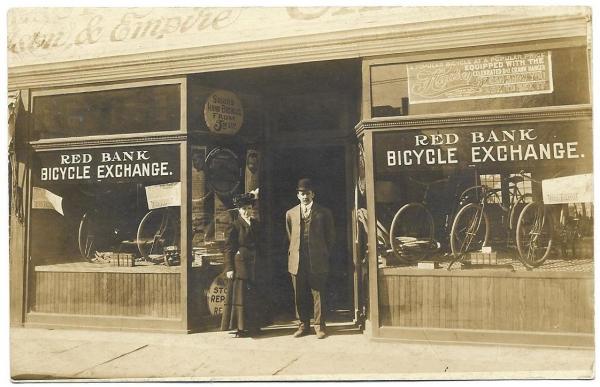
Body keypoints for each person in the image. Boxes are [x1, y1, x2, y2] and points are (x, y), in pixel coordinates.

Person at [286, 178, 335, 339]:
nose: (305, 196)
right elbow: (290, 236)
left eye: (307, 193)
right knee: (299, 294)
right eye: (301, 193)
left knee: (318, 294)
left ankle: (319, 326)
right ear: (297, 195)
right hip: (297, 261)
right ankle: (303, 325)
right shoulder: (291, 213)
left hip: (317, 260)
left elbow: (330, 237)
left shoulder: (324, 213)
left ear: (313, 194)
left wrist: (322, 253)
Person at [221, 192, 262, 337]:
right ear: (239, 210)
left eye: (249, 208)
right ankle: (240, 328)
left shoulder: (256, 224)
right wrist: (230, 268)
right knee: (241, 297)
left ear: (252, 209)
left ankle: (254, 326)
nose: (246, 211)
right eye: (243, 208)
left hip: (255, 264)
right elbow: (228, 248)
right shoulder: (235, 226)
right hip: (241, 266)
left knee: (253, 296)